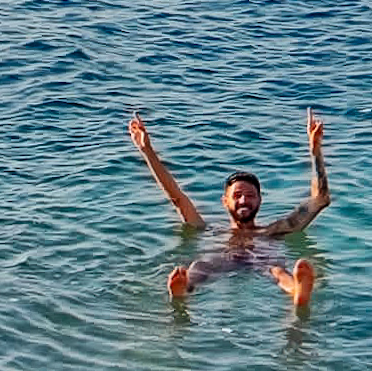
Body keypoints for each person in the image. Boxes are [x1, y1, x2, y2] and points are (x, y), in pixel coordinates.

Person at [128, 108, 330, 306]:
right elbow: (177, 197)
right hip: (223, 260)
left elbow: (320, 199)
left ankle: (297, 291)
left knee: (277, 269)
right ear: (225, 201)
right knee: (199, 266)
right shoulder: (209, 229)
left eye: (250, 196)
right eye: (237, 195)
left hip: (262, 258)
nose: (243, 200)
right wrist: (147, 151)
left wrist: (315, 151)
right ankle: (183, 289)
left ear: (260, 200)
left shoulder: (274, 230)